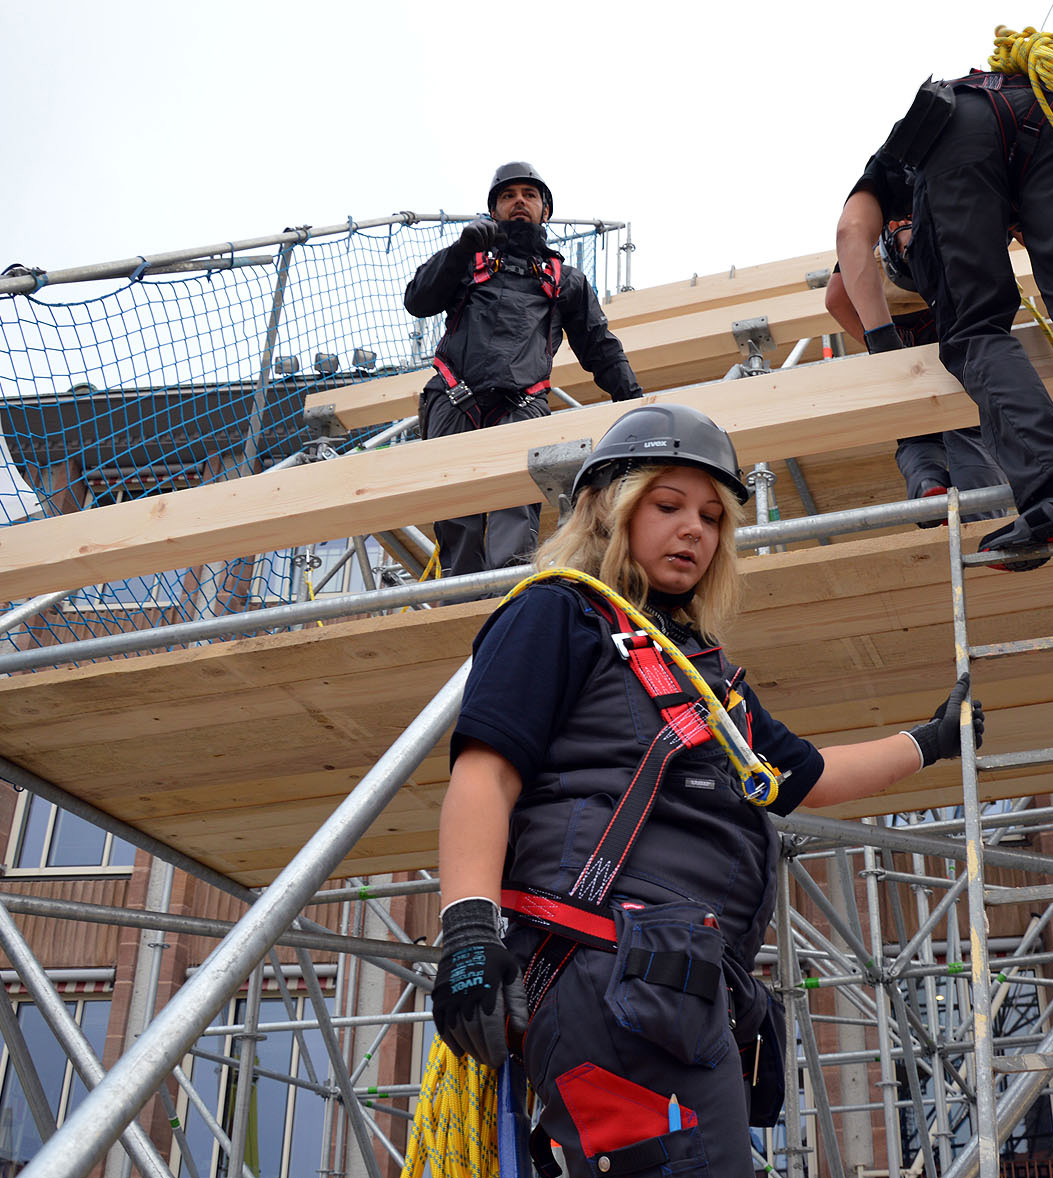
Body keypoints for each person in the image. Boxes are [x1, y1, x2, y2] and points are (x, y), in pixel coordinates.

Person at [429, 403, 983, 1174]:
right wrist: (467, 936)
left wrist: (928, 743)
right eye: (668, 506)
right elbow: (485, 772)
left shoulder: (697, 674)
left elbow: (806, 778)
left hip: (671, 992)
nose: (695, 529)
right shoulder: (557, 613)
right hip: (607, 976)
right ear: (608, 508)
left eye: (713, 517)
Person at [891, 40, 1053, 583]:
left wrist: (880, 340)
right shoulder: (1016, 88)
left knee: (973, 328)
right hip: (1050, 109)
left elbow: (851, 231)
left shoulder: (886, 180)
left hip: (956, 129)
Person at [404, 162, 643, 577]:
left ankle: (509, 610)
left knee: (514, 526)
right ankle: (461, 611)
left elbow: (599, 347)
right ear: (494, 210)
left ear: (544, 211)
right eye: (508, 195)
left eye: (529, 195)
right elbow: (418, 301)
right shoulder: (466, 259)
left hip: (521, 406)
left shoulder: (565, 280)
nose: (519, 201)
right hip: (453, 398)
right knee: (457, 525)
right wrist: (460, 250)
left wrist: (635, 405)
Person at [827, 150, 1006, 527]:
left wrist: (882, 344)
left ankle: (928, 489)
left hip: (907, 338)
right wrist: (883, 344)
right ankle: (983, 519)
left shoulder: (876, 229)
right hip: (945, 337)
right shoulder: (925, 217)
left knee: (914, 438)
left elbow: (836, 299)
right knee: (969, 426)